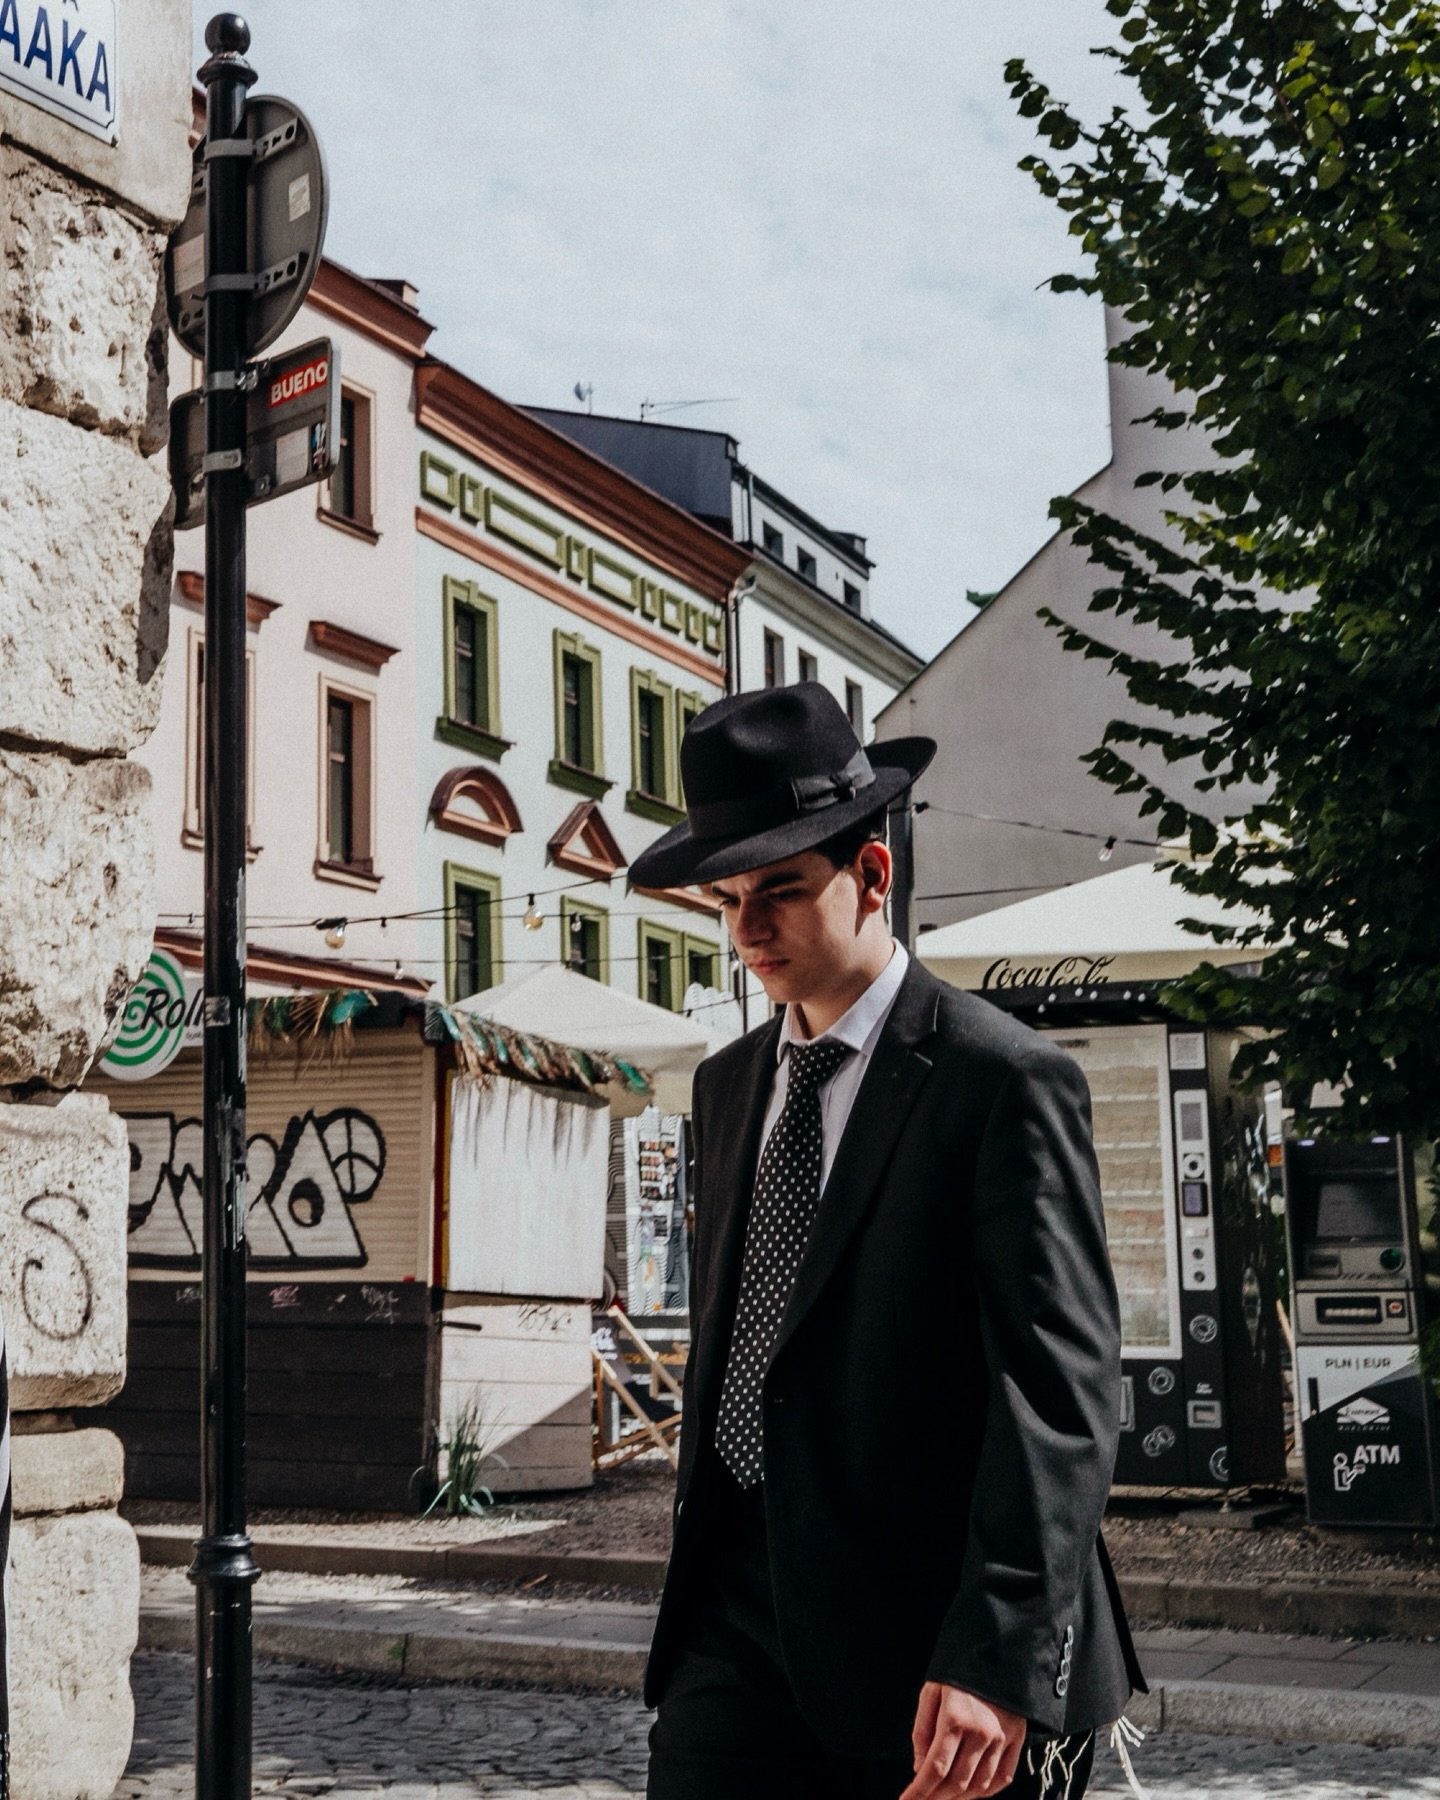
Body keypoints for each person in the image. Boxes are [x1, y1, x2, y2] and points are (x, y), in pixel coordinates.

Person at [627, 683, 1146, 1800]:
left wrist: (997, 1653)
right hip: (734, 1632)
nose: (747, 929)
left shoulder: (1001, 1079)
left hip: (937, 1648)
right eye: (727, 899)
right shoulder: (727, 1086)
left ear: (872, 875)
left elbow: (1060, 1394)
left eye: (779, 890)